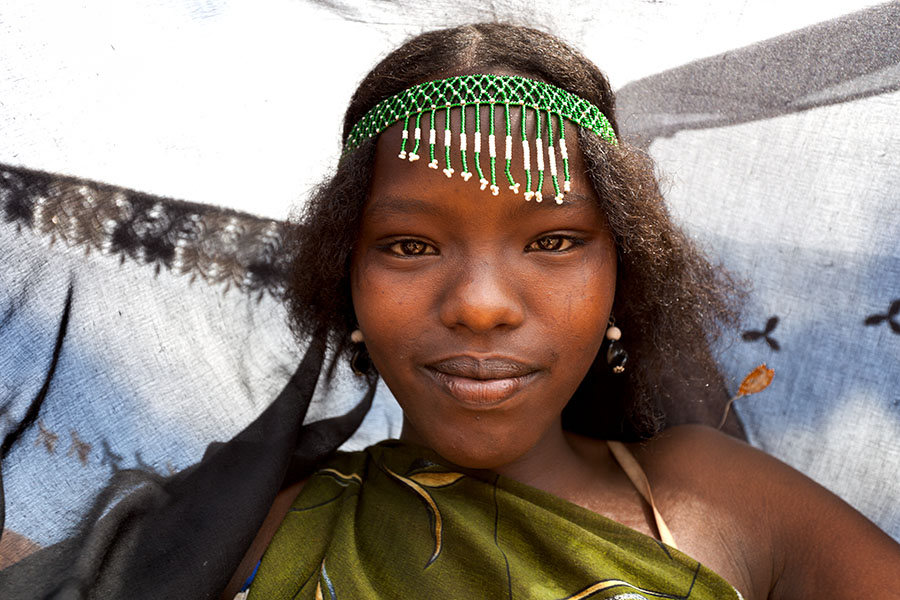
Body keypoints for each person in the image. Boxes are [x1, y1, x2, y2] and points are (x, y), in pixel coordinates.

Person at [223, 23, 900, 600]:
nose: (481, 305)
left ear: (624, 273)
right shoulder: (254, 534)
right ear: (345, 279)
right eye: (409, 245)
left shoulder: (721, 502)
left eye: (553, 241)